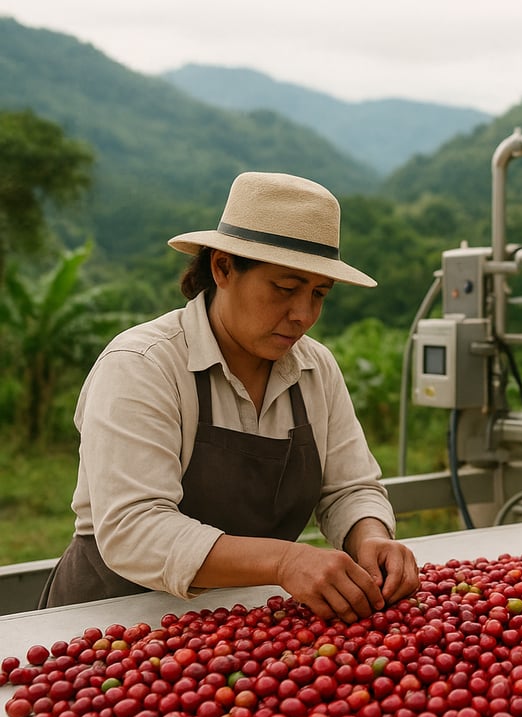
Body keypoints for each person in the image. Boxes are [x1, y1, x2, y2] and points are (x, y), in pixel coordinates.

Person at [40, 171, 420, 622]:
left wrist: (370, 536)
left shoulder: (315, 369)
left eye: (319, 294)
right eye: (285, 288)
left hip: (239, 623)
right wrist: (285, 561)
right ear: (223, 268)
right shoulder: (143, 365)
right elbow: (134, 528)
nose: (303, 315)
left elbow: (348, 488)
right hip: (110, 627)